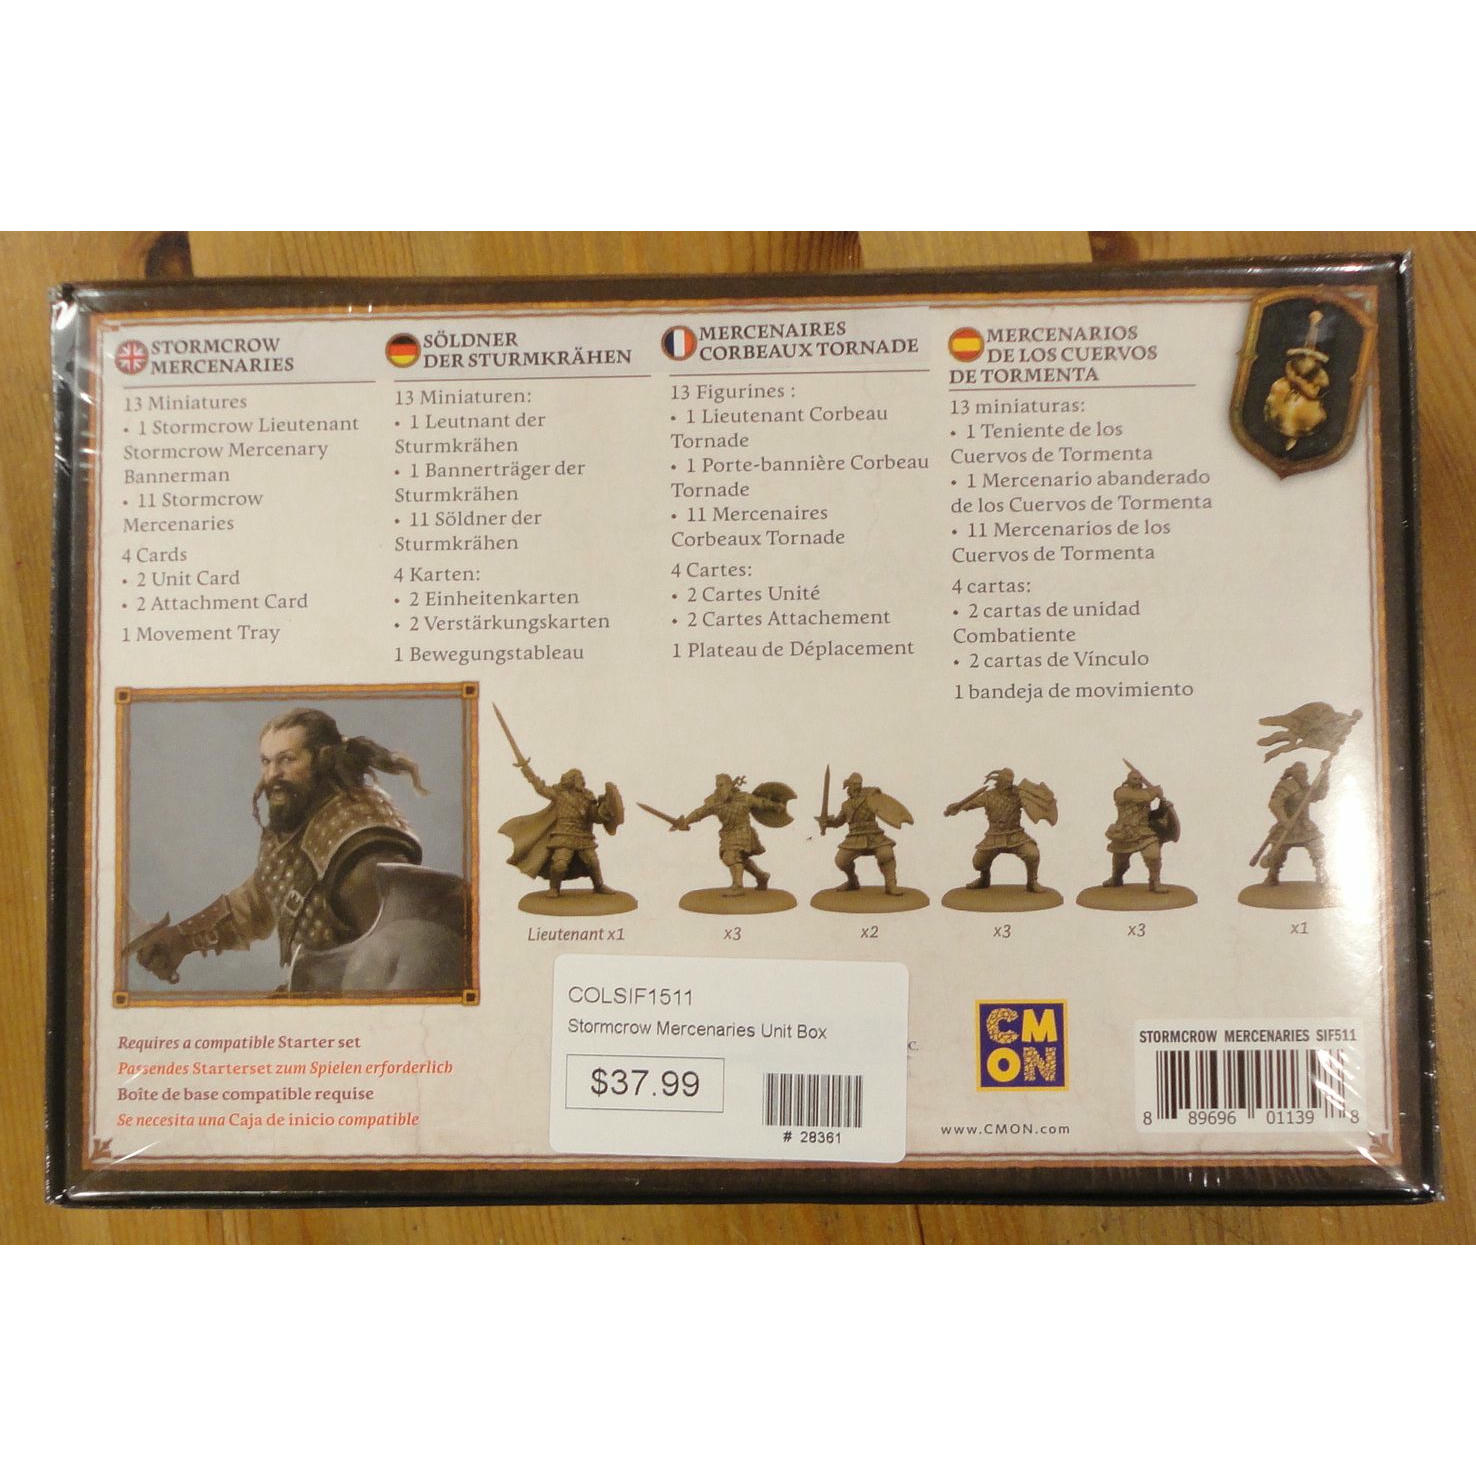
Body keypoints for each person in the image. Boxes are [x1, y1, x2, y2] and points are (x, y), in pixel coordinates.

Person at [133, 708, 442, 987]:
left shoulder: (361, 849)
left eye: (287, 760)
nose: (272, 776)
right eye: (266, 762)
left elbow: (409, 958)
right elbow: (262, 895)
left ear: (323, 759)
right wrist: (180, 938)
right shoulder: (305, 821)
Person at [505, 759, 621, 897]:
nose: (582, 780)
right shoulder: (559, 794)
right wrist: (526, 769)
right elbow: (540, 788)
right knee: (560, 864)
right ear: (571, 780)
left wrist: (605, 810)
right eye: (579, 778)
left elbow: (594, 816)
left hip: (583, 836)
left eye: (582, 778)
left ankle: (599, 885)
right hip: (563, 836)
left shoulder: (588, 796)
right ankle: (554, 888)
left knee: (593, 862)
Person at [671, 773, 794, 895]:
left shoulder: (744, 798)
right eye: (718, 785)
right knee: (740, 859)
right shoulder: (715, 802)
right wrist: (686, 821)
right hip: (728, 833)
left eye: (722, 785)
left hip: (743, 831)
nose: (720, 788)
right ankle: (761, 876)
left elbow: (761, 802)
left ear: (730, 785)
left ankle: (737, 886)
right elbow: (699, 813)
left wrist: (776, 806)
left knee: (730, 857)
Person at [945, 768, 1054, 891]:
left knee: (1032, 854)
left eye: (1011, 781)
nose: (1009, 784)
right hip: (994, 836)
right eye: (1007, 782)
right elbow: (971, 804)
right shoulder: (988, 796)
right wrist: (957, 807)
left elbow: (1034, 800)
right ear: (999, 781)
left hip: (1016, 836)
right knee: (978, 863)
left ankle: (1032, 882)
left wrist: (1042, 800)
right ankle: (984, 878)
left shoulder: (1019, 793)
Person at [819, 772, 910, 895]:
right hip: (854, 838)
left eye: (859, 784)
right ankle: (852, 881)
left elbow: (883, 805)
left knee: (886, 854)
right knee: (841, 860)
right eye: (854, 784)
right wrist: (827, 823)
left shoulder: (870, 797)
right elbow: (838, 822)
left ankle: (891, 885)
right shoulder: (846, 805)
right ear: (849, 786)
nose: (857, 787)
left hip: (874, 836)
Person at [1103, 768, 1171, 893]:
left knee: (1153, 856)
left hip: (1144, 832)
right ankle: (1116, 878)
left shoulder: (1146, 793)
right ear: (1128, 780)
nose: (1138, 781)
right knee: (1120, 861)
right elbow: (1143, 798)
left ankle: (1155, 882)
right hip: (1125, 832)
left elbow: (1150, 814)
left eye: (1140, 779)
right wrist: (1155, 791)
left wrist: (1164, 807)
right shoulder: (1121, 792)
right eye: (1135, 778)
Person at [1263, 761, 1329, 886]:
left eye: (1306, 772)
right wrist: (1285, 821)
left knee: (1317, 847)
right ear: (1294, 773)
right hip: (1287, 827)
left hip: (1305, 826)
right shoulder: (1285, 786)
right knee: (1277, 853)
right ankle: (1272, 875)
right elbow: (1275, 804)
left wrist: (1325, 773)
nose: (1305, 775)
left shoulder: (1306, 788)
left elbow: (1320, 794)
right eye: (1302, 772)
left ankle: (1321, 873)